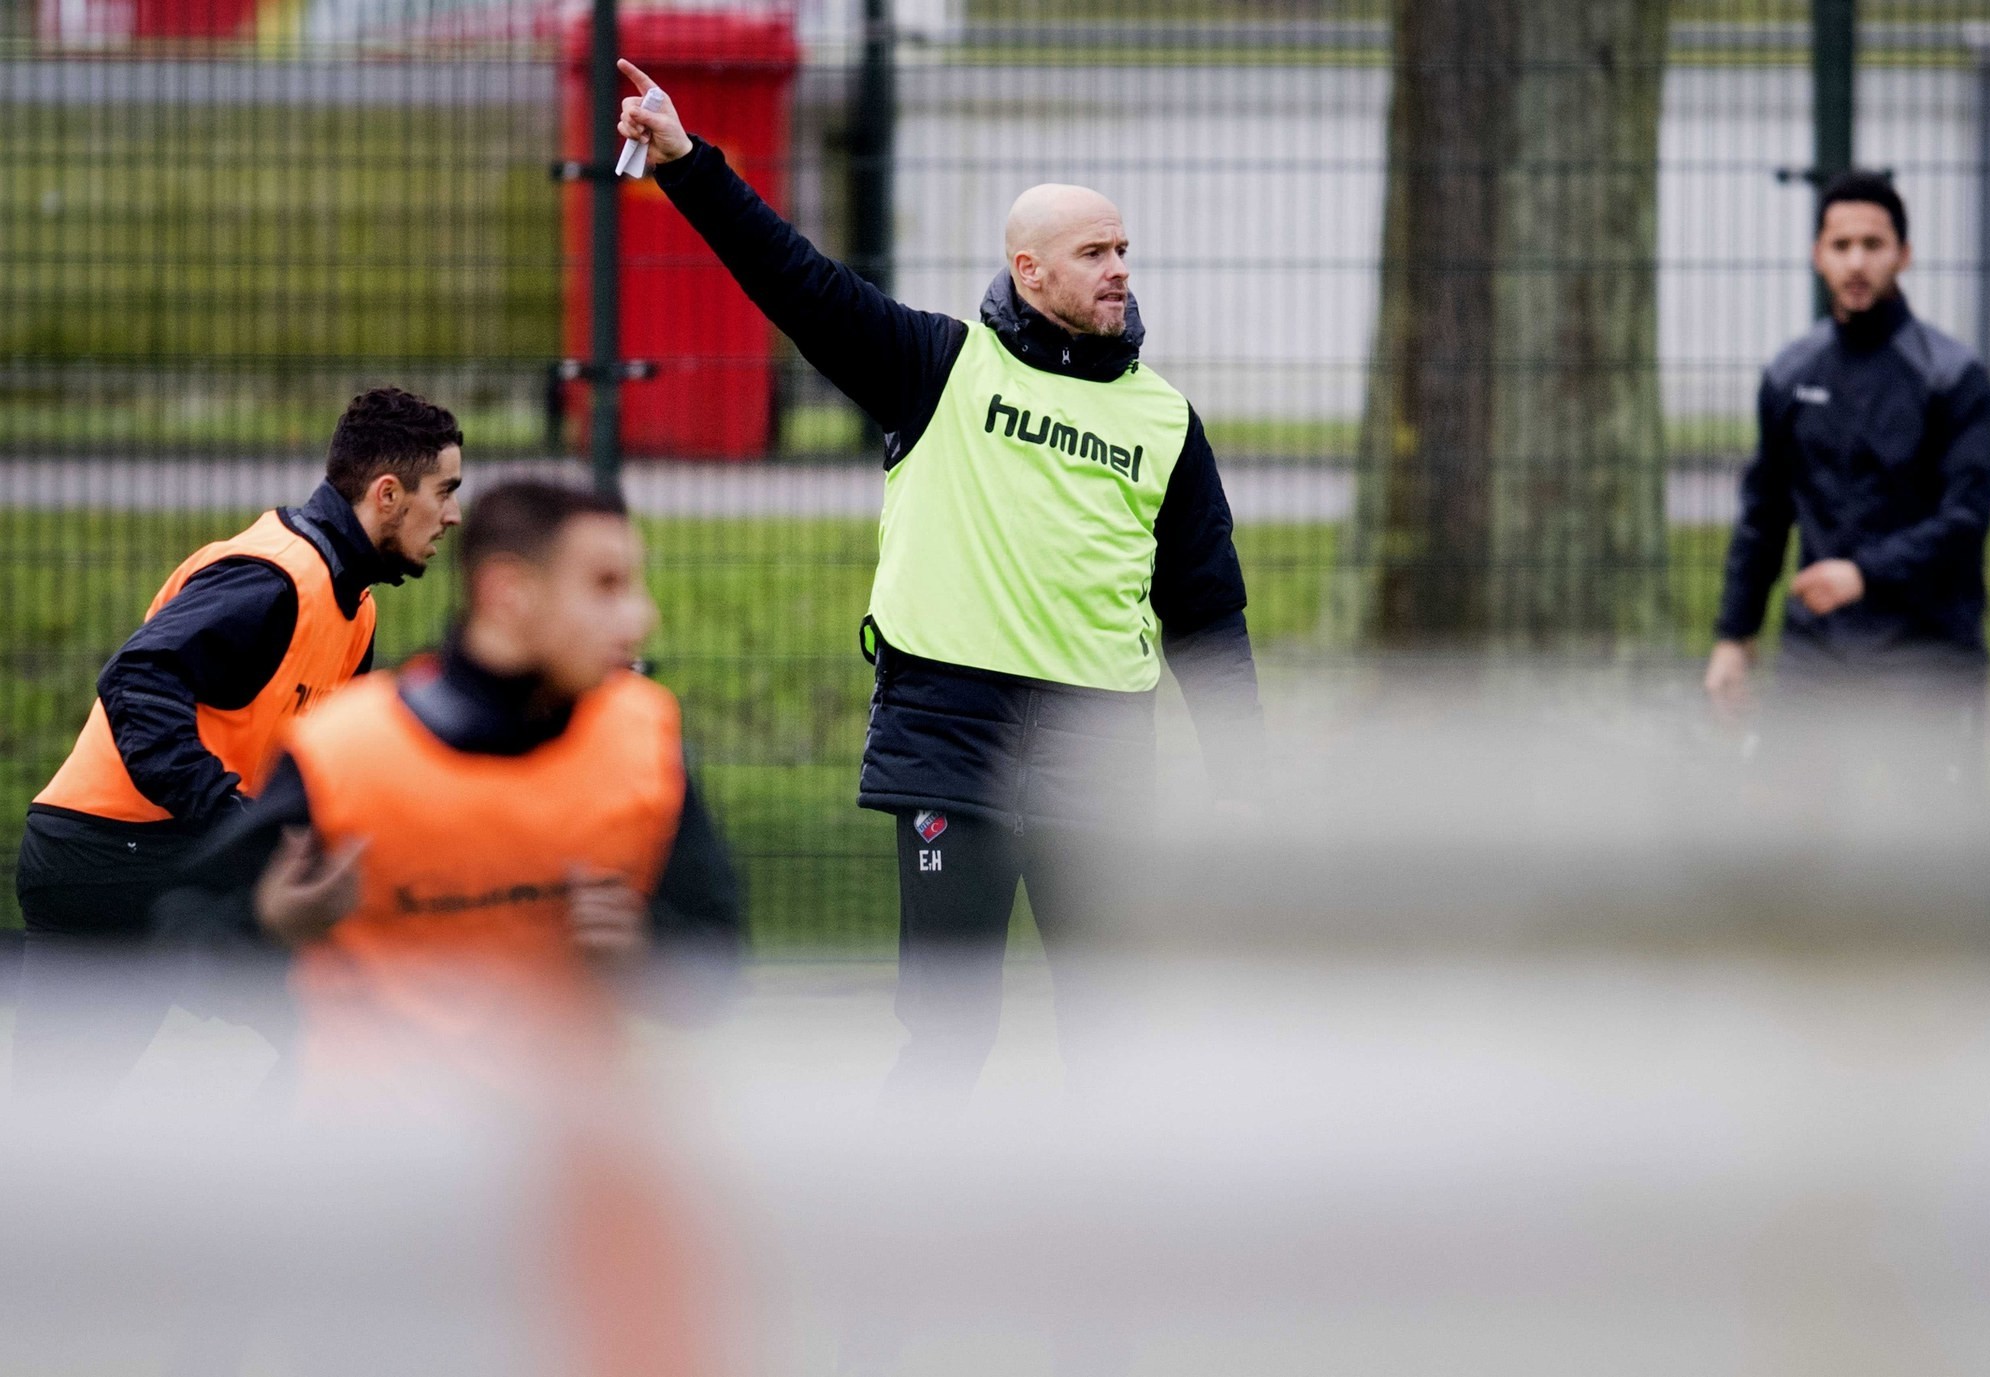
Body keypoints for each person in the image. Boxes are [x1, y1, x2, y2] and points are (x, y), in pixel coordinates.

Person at [615, 59, 1263, 1104]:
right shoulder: (937, 367)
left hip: (1097, 744)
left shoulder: (1162, 421)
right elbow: (796, 281)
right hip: (949, 733)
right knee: (949, 1027)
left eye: (1124, 251)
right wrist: (687, 163)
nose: (1118, 271)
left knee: (1112, 1032)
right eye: (1093, 252)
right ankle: (899, 1238)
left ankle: (1124, 1239)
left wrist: (1237, 778)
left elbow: (1206, 611)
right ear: (1029, 269)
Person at [153, 478, 744, 1106]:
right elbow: (186, 937)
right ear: (507, 592)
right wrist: (272, 924)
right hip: (375, 1159)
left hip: (563, 1161)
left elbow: (713, 975)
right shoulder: (346, 752)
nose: (640, 617)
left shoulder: (644, 737)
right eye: (606, 586)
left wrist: (643, 952)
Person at [12, 386, 464, 1102]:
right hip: (110, 854)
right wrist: (231, 820)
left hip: (154, 856)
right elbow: (135, 681)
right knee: (337, 1007)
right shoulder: (271, 578)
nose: (453, 515)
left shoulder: (354, 607)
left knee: (48, 1101)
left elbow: (323, 774)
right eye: (445, 491)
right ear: (387, 493)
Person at [1705, 172, 1990, 784]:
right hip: (1818, 653)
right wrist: (1734, 635)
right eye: (1841, 246)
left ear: (1904, 255)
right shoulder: (1791, 374)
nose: (1857, 261)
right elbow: (1764, 515)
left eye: (1874, 244)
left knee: (1924, 855)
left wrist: (1865, 573)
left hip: (1928, 649)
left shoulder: (1952, 377)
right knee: (1785, 842)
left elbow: (1965, 520)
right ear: (1818, 256)